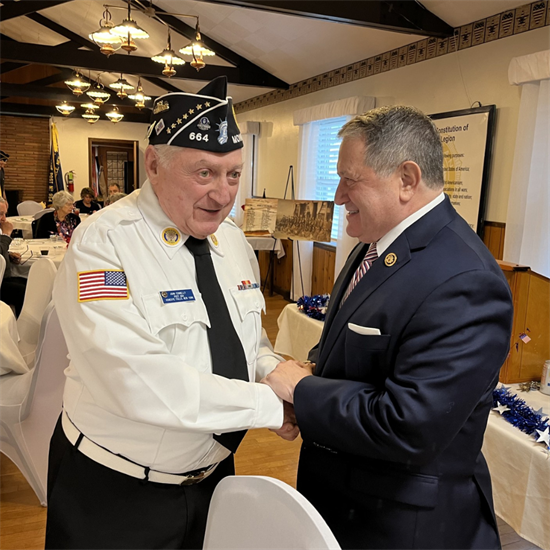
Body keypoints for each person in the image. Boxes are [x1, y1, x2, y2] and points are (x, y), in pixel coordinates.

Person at [45, 76, 299, 550]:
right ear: (154, 164)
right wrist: (270, 405)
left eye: (233, 174)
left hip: (213, 481)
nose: (223, 195)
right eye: (203, 173)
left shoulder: (233, 241)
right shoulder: (104, 244)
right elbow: (134, 378)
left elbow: (246, 342)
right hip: (117, 494)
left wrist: (274, 370)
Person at [263, 105, 513, 550]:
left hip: (402, 526)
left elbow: (409, 425)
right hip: (349, 505)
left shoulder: (465, 280)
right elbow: (351, 346)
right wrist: (313, 371)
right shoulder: (376, 243)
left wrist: (302, 391)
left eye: (349, 179)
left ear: (406, 179)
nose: (338, 196)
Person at [0, 197, 27, 316]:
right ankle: (22, 326)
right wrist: (6, 235)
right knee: (23, 292)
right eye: (1, 214)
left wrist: (8, 255)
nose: (4, 218)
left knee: (29, 284)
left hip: (4, 277)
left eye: (5, 214)